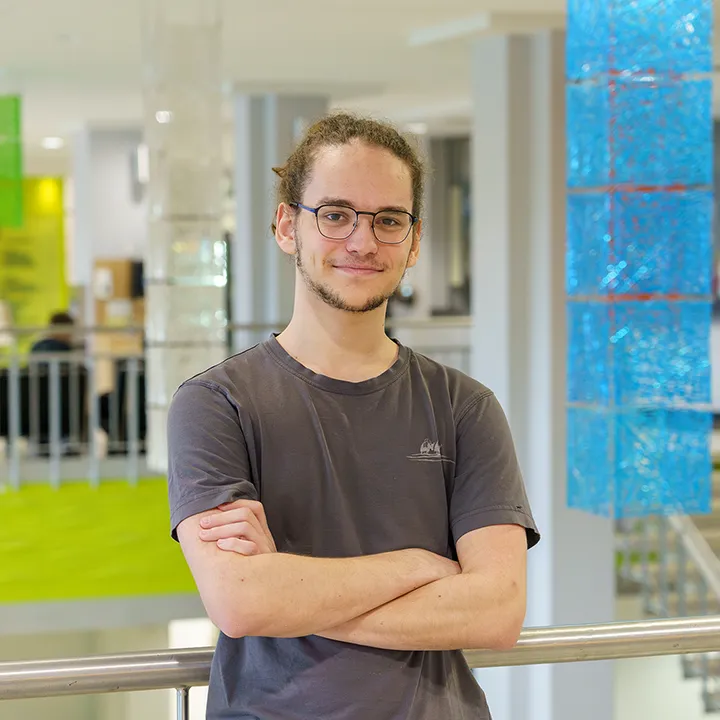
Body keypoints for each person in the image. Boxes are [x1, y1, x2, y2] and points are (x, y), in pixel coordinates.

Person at [168, 113, 540, 720]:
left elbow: (496, 611)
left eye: (389, 220)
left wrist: (293, 591)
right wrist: (418, 567)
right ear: (288, 225)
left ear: (414, 241)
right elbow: (240, 601)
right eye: (335, 214)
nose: (363, 242)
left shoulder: (464, 406)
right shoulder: (216, 404)